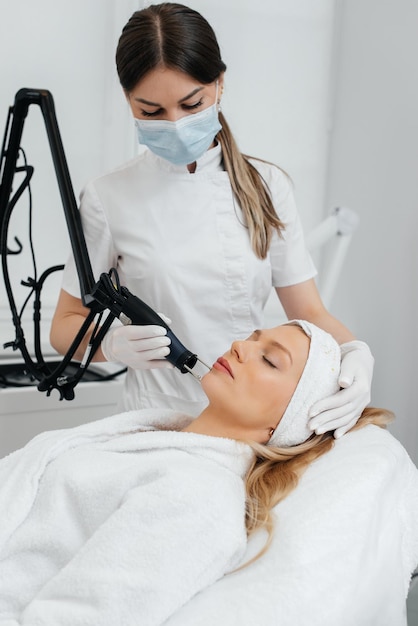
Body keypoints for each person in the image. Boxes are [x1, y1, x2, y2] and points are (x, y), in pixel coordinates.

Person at [50, 2, 374, 438]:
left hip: (251, 424)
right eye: (151, 112)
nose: (176, 124)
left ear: (219, 84)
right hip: (151, 424)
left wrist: (356, 352)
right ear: (128, 101)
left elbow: (309, 311)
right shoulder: (108, 197)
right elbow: (63, 327)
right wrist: (110, 345)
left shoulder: (266, 186)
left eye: (191, 103)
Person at [0, 321, 397, 626]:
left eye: (270, 360)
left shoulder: (199, 499)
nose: (241, 346)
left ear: (287, 422)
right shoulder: (155, 437)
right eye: (253, 338)